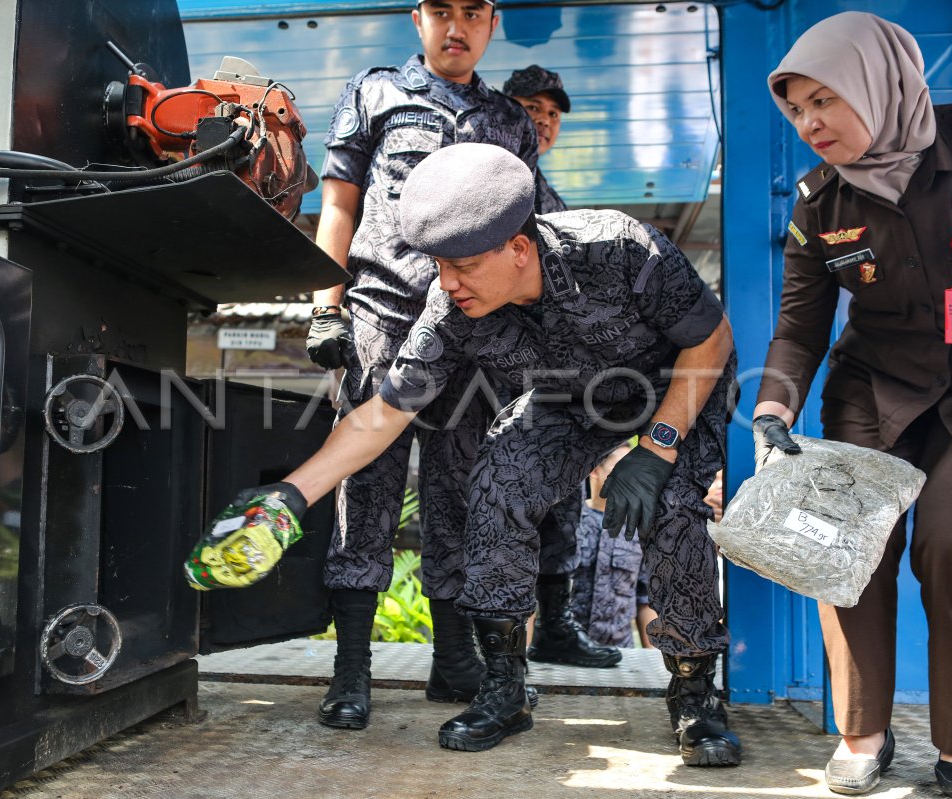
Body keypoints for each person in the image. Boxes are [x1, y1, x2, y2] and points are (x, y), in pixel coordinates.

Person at [237, 142, 742, 761]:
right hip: (570, 401)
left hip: (673, 388)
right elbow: (385, 412)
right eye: (438, 266)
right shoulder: (452, 306)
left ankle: (695, 696)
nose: (448, 283)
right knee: (499, 477)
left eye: (465, 266)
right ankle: (505, 688)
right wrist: (290, 497)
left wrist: (658, 447)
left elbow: (712, 339)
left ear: (519, 249)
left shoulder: (619, 248)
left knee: (672, 509)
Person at [752, 12, 952, 798]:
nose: (810, 123)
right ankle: (863, 731)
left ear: (879, 83)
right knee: (845, 547)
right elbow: (799, 326)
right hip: (871, 390)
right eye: (796, 110)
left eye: (826, 100)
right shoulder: (818, 203)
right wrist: (773, 411)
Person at [303, 0, 549, 733]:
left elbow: (524, 231)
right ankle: (351, 671)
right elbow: (339, 203)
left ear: (492, 21)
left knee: (461, 492)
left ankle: (453, 661)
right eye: (441, 9)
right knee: (366, 489)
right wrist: (326, 305)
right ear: (418, 17)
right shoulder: (374, 93)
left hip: (475, 325)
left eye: (473, 11)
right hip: (383, 314)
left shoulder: (511, 121)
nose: (457, 26)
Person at [500, 63, 623, 670]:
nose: (543, 122)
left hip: (552, 381)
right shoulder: (491, 183)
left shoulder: (553, 198)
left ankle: (555, 629)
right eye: (530, 108)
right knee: (505, 507)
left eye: (551, 114)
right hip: (494, 379)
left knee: (562, 505)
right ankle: (494, 655)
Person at [569, 442, 653, 648]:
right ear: (596, 471)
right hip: (567, 652)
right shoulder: (569, 523)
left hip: (620, 654)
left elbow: (645, 598)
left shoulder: (639, 531)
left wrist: (654, 660)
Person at [504, 64, 570, 214]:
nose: (545, 120)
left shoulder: (554, 202)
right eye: (533, 107)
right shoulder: (482, 167)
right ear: (505, 109)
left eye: (553, 114)